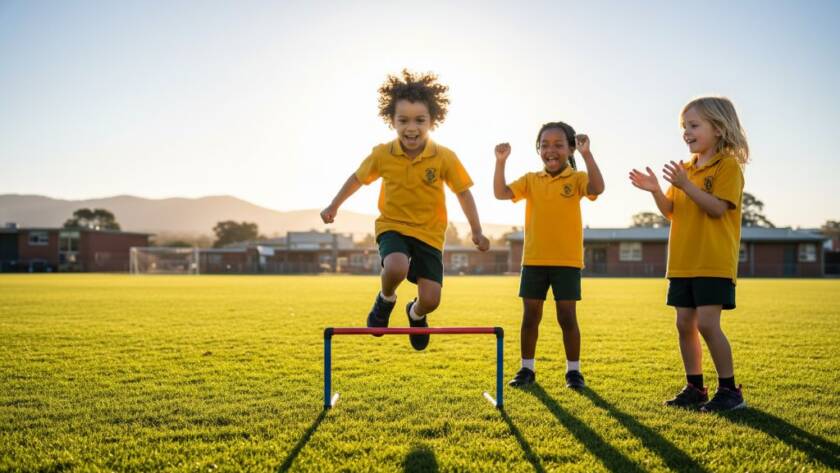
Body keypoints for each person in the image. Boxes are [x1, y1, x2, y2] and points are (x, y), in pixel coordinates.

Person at [321, 69, 490, 351]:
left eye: (420, 120)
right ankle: (385, 299)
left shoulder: (444, 157)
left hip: (430, 234)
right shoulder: (382, 154)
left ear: (432, 121)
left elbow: (463, 192)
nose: (411, 127)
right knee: (396, 266)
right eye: (403, 120)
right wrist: (334, 205)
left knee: (431, 299)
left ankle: (416, 314)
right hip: (393, 226)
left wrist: (477, 230)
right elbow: (357, 179)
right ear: (392, 121)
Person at [629, 96, 749, 412]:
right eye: (684, 127)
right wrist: (656, 189)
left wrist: (686, 185)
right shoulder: (684, 169)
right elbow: (671, 211)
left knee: (708, 323)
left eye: (694, 125)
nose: (687, 132)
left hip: (713, 260)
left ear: (719, 129)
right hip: (682, 261)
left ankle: (729, 390)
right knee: (684, 324)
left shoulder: (727, 167)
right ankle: (695, 387)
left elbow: (715, 208)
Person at [494, 121, 604, 388]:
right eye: (545, 145)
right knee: (530, 317)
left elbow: (597, 188)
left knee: (567, 317)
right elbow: (500, 193)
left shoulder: (577, 180)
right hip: (533, 261)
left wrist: (587, 154)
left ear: (570, 149)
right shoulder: (531, 180)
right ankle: (526, 369)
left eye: (558, 145)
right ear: (538, 149)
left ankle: (573, 372)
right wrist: (500, 162)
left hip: (567, 262)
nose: (550, 150)